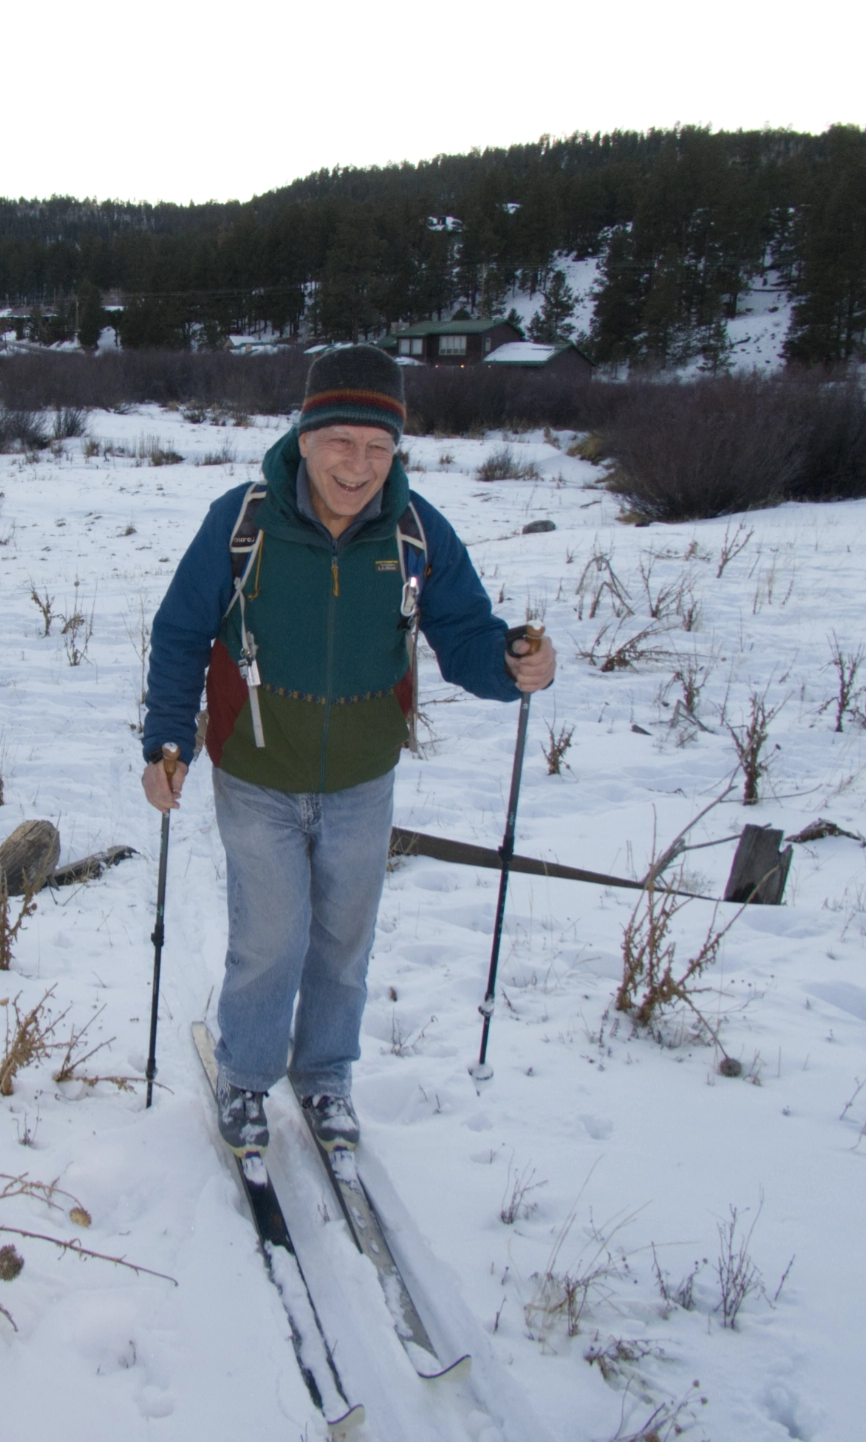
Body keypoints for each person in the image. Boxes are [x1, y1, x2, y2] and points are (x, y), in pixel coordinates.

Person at [139, 344, 555, 1168]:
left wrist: (512, 664)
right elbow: (181, 633)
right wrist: (167, 740)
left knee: (343, 940)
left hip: (364, 780)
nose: (358, 466)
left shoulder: (414, 532)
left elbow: (467, 633)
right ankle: (248, 1076)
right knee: (271, 937)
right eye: (341, 442)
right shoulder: (242, 522)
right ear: (305, 433)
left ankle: (326, 1074)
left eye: (378, 448)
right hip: (256, 775)